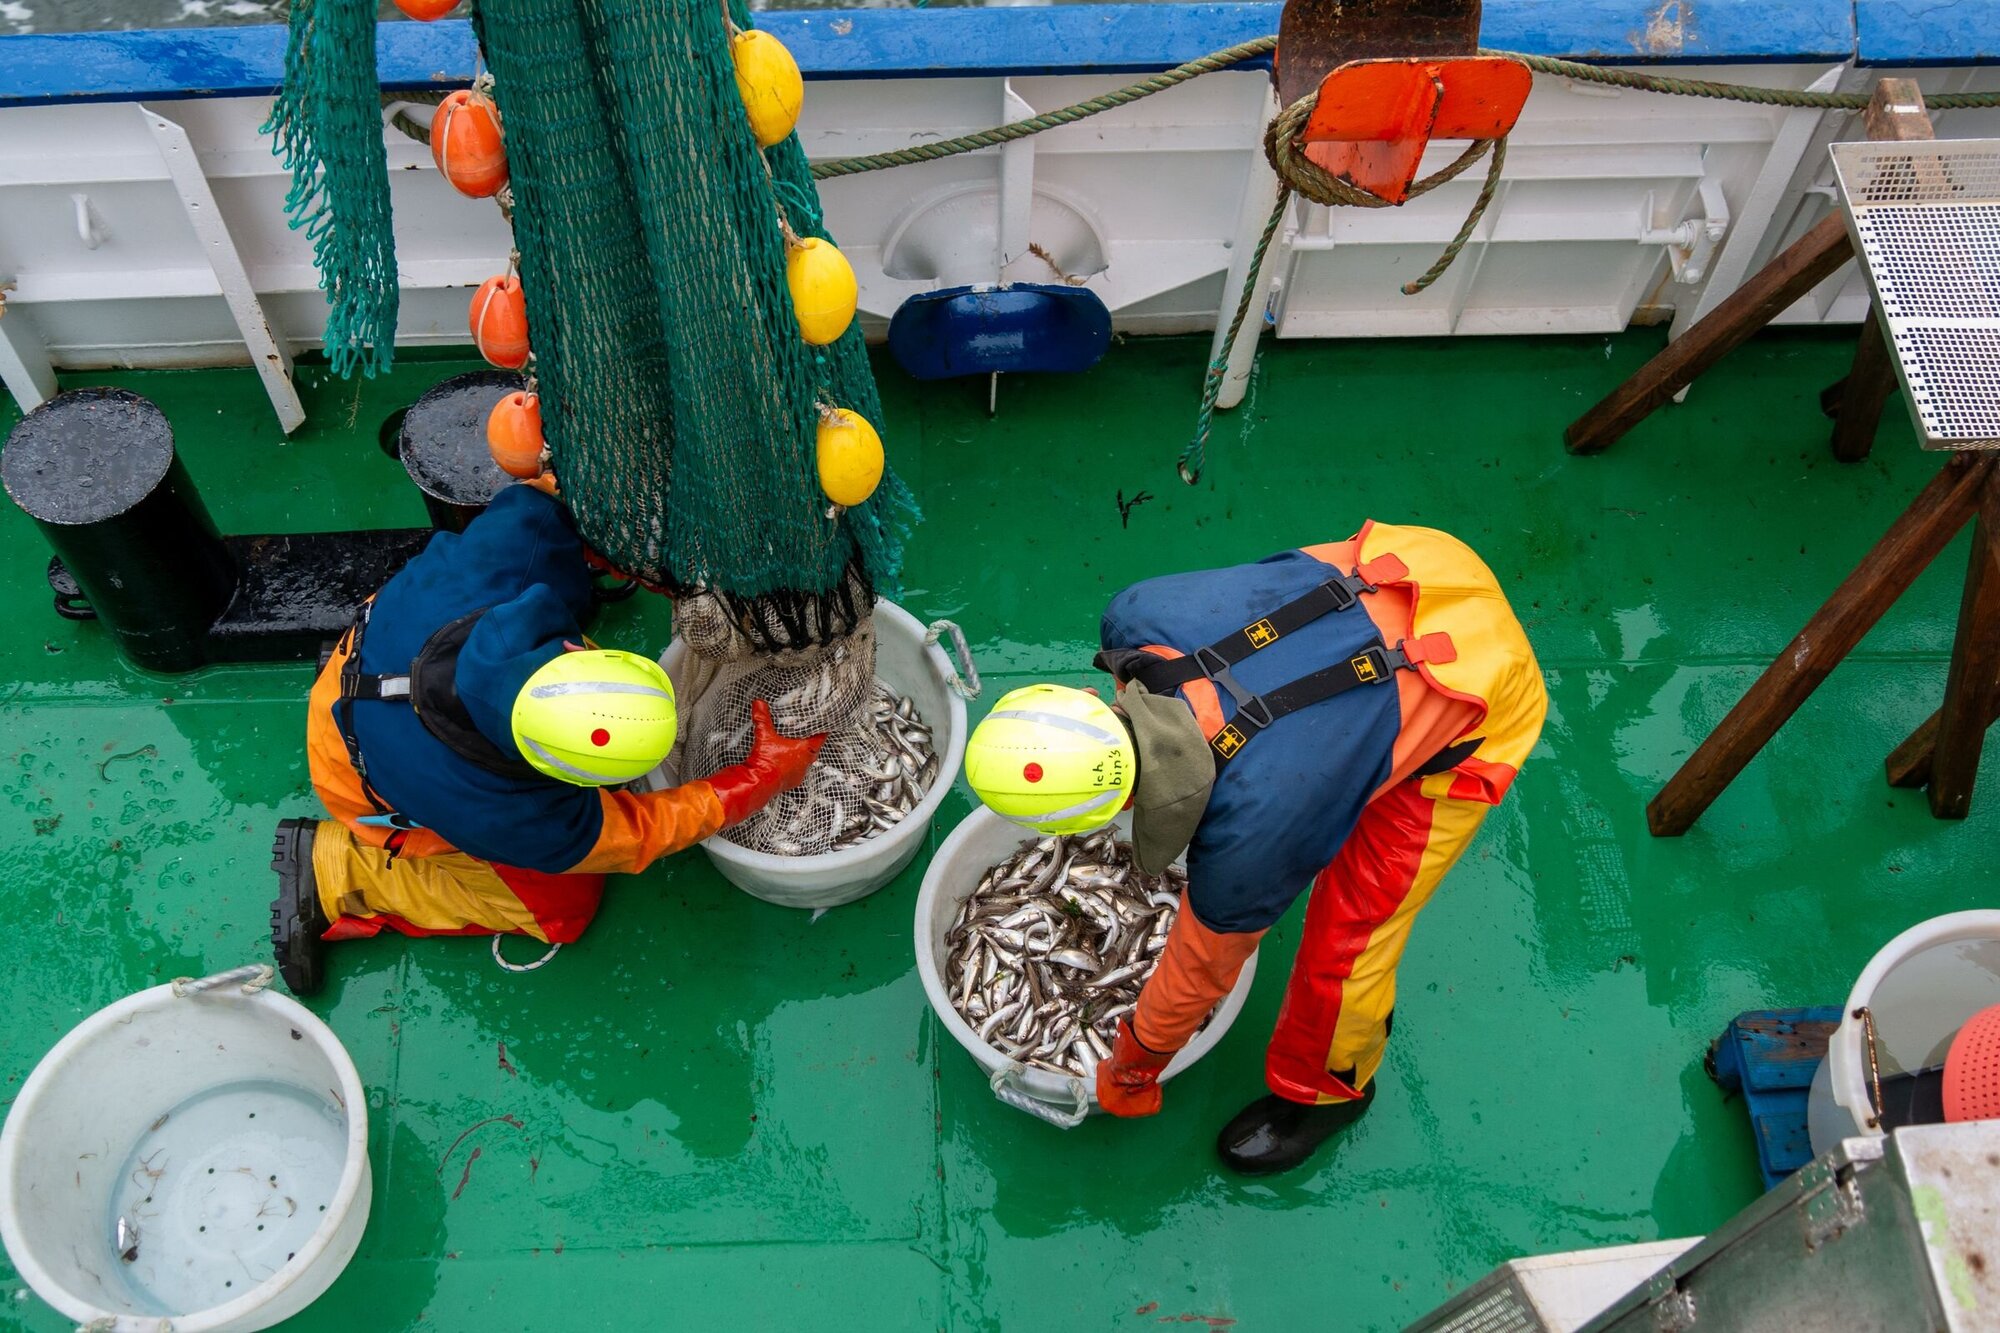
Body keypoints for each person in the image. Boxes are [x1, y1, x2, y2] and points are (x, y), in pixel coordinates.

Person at [963, 521, 1545, 1174]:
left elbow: (1199, 970)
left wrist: (1133, 1068)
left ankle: (1331, 1094)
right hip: (1416, 559)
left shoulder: (1253, 831)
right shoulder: (1130, 615)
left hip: (1478, 687)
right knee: (1321, 772)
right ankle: (1356, 757)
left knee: (1348, 943)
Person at [269, 482, 824, 995]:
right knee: (563, 910)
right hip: (355, 770)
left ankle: (374, 719)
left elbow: (542, 493)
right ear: (548, 770)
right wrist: (756, 780)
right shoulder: (508, 812)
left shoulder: (514, 552)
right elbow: (635, 835)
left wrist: (631, 556)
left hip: (375, 659)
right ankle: (337, 869)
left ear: (574, 658)